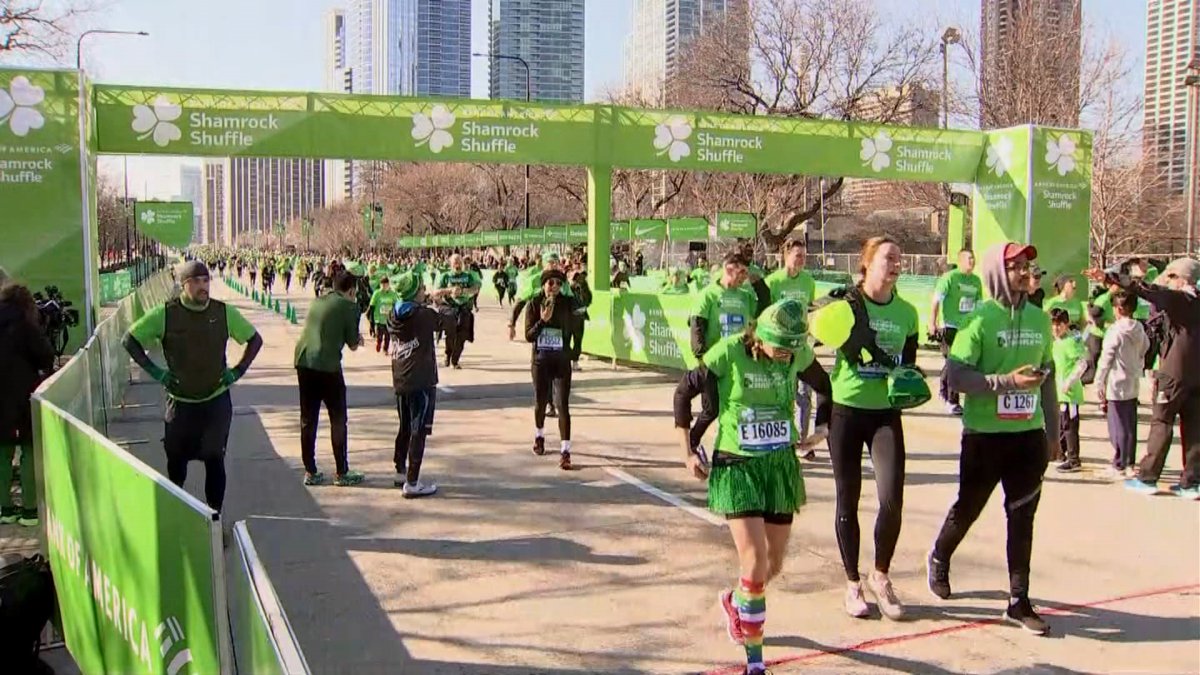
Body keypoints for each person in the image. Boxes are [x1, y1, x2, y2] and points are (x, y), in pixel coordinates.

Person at [672, 300, 831, 675]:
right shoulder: (728, 351)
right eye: (780, 349)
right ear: (759, 336)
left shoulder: (795, 354)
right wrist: (687, 451)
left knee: (770, 567)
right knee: (756, 560)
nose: (786, 357)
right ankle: (755, 663)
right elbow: (683, 394)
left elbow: (825, 387)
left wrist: (821, 429)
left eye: (792, 350)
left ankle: (735, 600)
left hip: (779, 466)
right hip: (737, 465)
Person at [928, 242, 1059, 636]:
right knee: (967, 509)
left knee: (1022, 519)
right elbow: (956, 376)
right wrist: (1006, 383)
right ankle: (939, 555)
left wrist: (1053, 433)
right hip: (984, 437)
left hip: (1027, 438)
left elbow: (1048, 379)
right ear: (997, 273)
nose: (1023, 271)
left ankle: (1019, 601)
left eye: (1026, 265)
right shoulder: (980, 320)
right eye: (1014, 266)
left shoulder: (1039, 320)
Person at [825, 236, 919, 621]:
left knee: (891, 498)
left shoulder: (908, 313)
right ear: (866, 263)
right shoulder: (846, 304)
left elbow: (907, 367)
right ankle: (852, 584)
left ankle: (880, 575)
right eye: (887, 258)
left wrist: (911, 385)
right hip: (846, 410)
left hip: (885, 415)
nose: (895, 263)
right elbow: (820, 332)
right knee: (848, 500)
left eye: (899, 258)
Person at [123, 261, 263, 513]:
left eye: (206, 281)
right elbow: (130, 340)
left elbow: (254, 340)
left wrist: (237, 371)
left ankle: (214, 518)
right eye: (196, 282)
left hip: (215, 402)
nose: (203, 287)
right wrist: (157, 373)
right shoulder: (166, 313)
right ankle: (179, 517)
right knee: (176, 464)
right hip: (180, 404)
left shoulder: (223, 312)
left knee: (214, 459)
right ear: (183, 285)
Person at [1086, 258, 1200, 498]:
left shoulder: (1181, 300)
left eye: (1171, 277)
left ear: (1182, 279)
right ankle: (1191, 481)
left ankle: (1148, 477)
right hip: (1195, 374)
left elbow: (1149, 291)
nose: (1168, 282)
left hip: (1173, 373)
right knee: (1194, 426)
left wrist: (1110, 279)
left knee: (1162, 421)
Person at [386, 273, 458, 497]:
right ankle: (413, 482)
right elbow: (448, 322)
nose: (424, 290)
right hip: (421, 379)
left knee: (404, 426)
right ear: (414, 292)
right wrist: (446, 301)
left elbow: (414, 310)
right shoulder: (424, 315)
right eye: (421, 288)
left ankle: (400, 469)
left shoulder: (393, 314)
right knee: (418, 430)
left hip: (401, 378)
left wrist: (427, 301)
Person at [293, 271, 366, 487]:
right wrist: (358, 339)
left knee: (308, 419)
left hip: (304, 360)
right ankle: (341, 472)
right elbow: (352, 344)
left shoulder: (318, 300)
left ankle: (310, 470)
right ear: (351, 290)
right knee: (338, 418)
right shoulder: (350, 307)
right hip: (328, 366)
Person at [688, 253, 760, 459]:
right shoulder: (708, 295)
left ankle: (736, 449)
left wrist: (758, 283)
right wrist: (702, 359)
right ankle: (692, 441)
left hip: (739, 365)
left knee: (738, 407)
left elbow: (762, 310)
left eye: (747, 273)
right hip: (713, 363)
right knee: (711, 409)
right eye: (742, 272)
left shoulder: (745, 296)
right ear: (728, 268)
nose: (745, 277)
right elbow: (697, 328)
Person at [0, 283, 56, 527]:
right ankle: (30, 509)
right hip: (22, 398)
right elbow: (46, 355)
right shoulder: (25, 326)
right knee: (28, 451)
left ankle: (5, 508)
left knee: (2, 455)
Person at [765, 238, 822, 455]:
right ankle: (781, 437)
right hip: (779, 348)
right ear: (785, 256)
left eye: (804, 256)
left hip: (802, 346)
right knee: (782, 394)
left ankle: (802, 442)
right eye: (797, 256)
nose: (801, 260)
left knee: (805, 394)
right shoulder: (774, 282)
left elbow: (812, 310)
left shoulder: (808, 281)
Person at [525, 270, 580, 470]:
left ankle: (565, 451)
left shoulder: (567, 303)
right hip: (541, 362)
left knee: (562, 405)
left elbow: (577, 326)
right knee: (540, 402)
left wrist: (574, 350)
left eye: (558, 283)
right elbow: (529, 335)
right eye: (550, 283)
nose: (554, 286)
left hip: (561, 362)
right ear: (543, 285)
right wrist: (543, 321)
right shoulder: (534, 304)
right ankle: (539, 436)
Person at [1093, 290, 1149, 480]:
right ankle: (1129, 463)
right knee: (1130, 424)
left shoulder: (1115, 330)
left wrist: (1099, 380)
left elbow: (1106, 357)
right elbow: (1146, 346)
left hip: (1117, 382)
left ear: (1118, 309)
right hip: (1132, 381)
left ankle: (1119, 463)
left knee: (1117, 425)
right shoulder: (1139, 328)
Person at [930, 249, 983, 415]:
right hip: (950, 327)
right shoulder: (950, 278)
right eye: (969, 258)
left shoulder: (976, 281)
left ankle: (944, 390)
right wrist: (932, 322)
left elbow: (980, 305)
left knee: (956, 362)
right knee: (954, 362)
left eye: (974, 258)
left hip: (968, 329)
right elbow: (936, 300)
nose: (972, 261)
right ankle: (952, 400)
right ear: (960, 261)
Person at [1049, 308, 1086, 472]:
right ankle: (1060, 453)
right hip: (1059, 392)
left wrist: (1070, 382)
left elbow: (1082, 364)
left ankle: (1073, 458)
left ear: (1066, 325)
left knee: (1070, 426)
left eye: (1059, 325)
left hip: (1069, 394)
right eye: (1053, 325)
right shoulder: (1056, 342)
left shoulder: (1071, 341)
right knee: (1061, 424)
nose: (1056, 328)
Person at [437, 254, 482, 369]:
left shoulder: (468, 276)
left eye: (459, 262)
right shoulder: (445, 276)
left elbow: (475, 288)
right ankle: (448, 354)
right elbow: (435, 292)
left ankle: (455, 360)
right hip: (450, 307)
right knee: (451, 333)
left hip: (464, 307)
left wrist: (463, 291)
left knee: (462, 336)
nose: (457, 264)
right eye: (455, 262)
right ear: (450, 264)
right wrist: (449, 290)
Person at [567, 259, 592, 372]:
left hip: (579, 317)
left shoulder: (584, 287)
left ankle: (575, 362)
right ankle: (566, 361)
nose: (579, 278)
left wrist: (582, 287)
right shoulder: (567, 286)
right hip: (568, 318)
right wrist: (572, 285)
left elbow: (588, 300)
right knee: (566, 340)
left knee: (578, 340)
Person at [368, 276, 399, 354]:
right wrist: (371, 321)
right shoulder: (377, 293)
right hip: (379, 318)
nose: (384, 286)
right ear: (380, 284)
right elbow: (372, 305)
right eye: (383, 284)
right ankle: (379, 343)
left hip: (389, 319)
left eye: (386, 284)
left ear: (388, 284)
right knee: (379, 335)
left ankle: (385, 349)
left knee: (388, 336)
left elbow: (395, 304)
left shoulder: (392, 293)